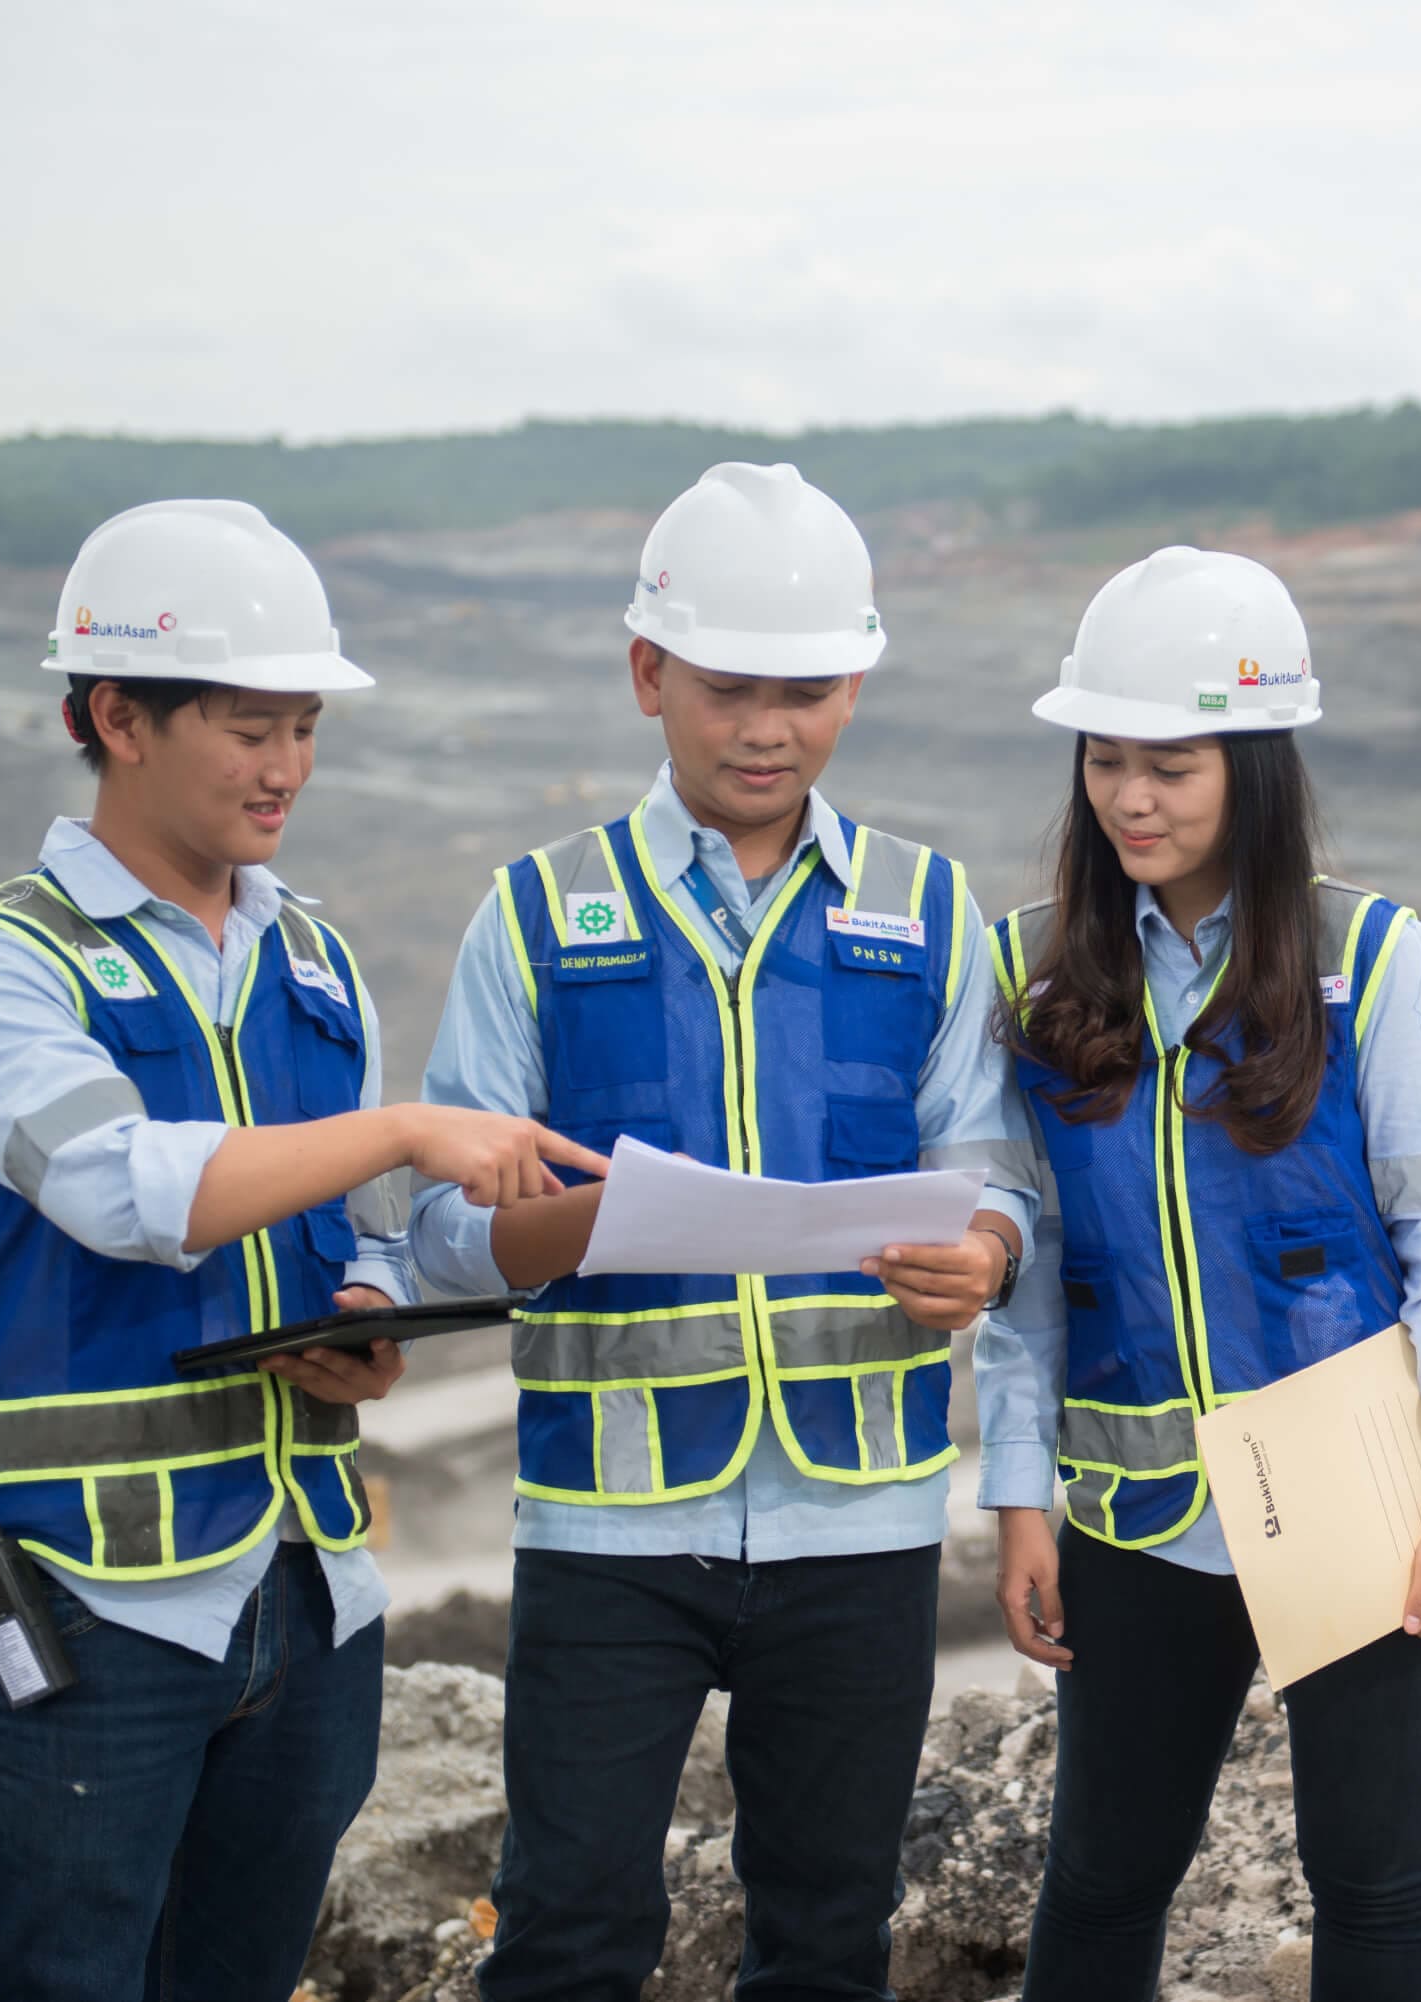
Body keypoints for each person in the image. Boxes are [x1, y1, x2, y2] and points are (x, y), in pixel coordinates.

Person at [0, 498, 605, 2001]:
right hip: (86, 1608)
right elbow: (119, 1186)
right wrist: (408, 1128)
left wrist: (369, 1309)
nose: (288, 765)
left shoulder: (312, 957)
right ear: (117, 715)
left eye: (304, 725)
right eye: (248, 725)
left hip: (303, 1592)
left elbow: (361, 1236)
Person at [409, 461, 1038, 2001]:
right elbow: (434, 1232)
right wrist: (565, 1227)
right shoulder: (538, 916)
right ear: (649, 674)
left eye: (810, 689)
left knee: (828, 1935)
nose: (771, 726)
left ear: (859, 681)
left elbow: (997, 1175)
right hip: (611, 1529)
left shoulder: (930, 911)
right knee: (565, 1929)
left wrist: (992, 1254)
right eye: (732, 686)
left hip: (863, 1521)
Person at [977, 547, 1421, 2001]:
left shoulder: (1376, 964)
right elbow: (1029, 1277)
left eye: (1171, 763)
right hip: (1140, 1517)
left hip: (1365, 1495)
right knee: (1099, 1882)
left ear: (1258, 764)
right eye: (1104, 761)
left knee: (1378, 1886)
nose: (1131, 799)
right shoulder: (1030, 974)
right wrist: (1018, 1494)